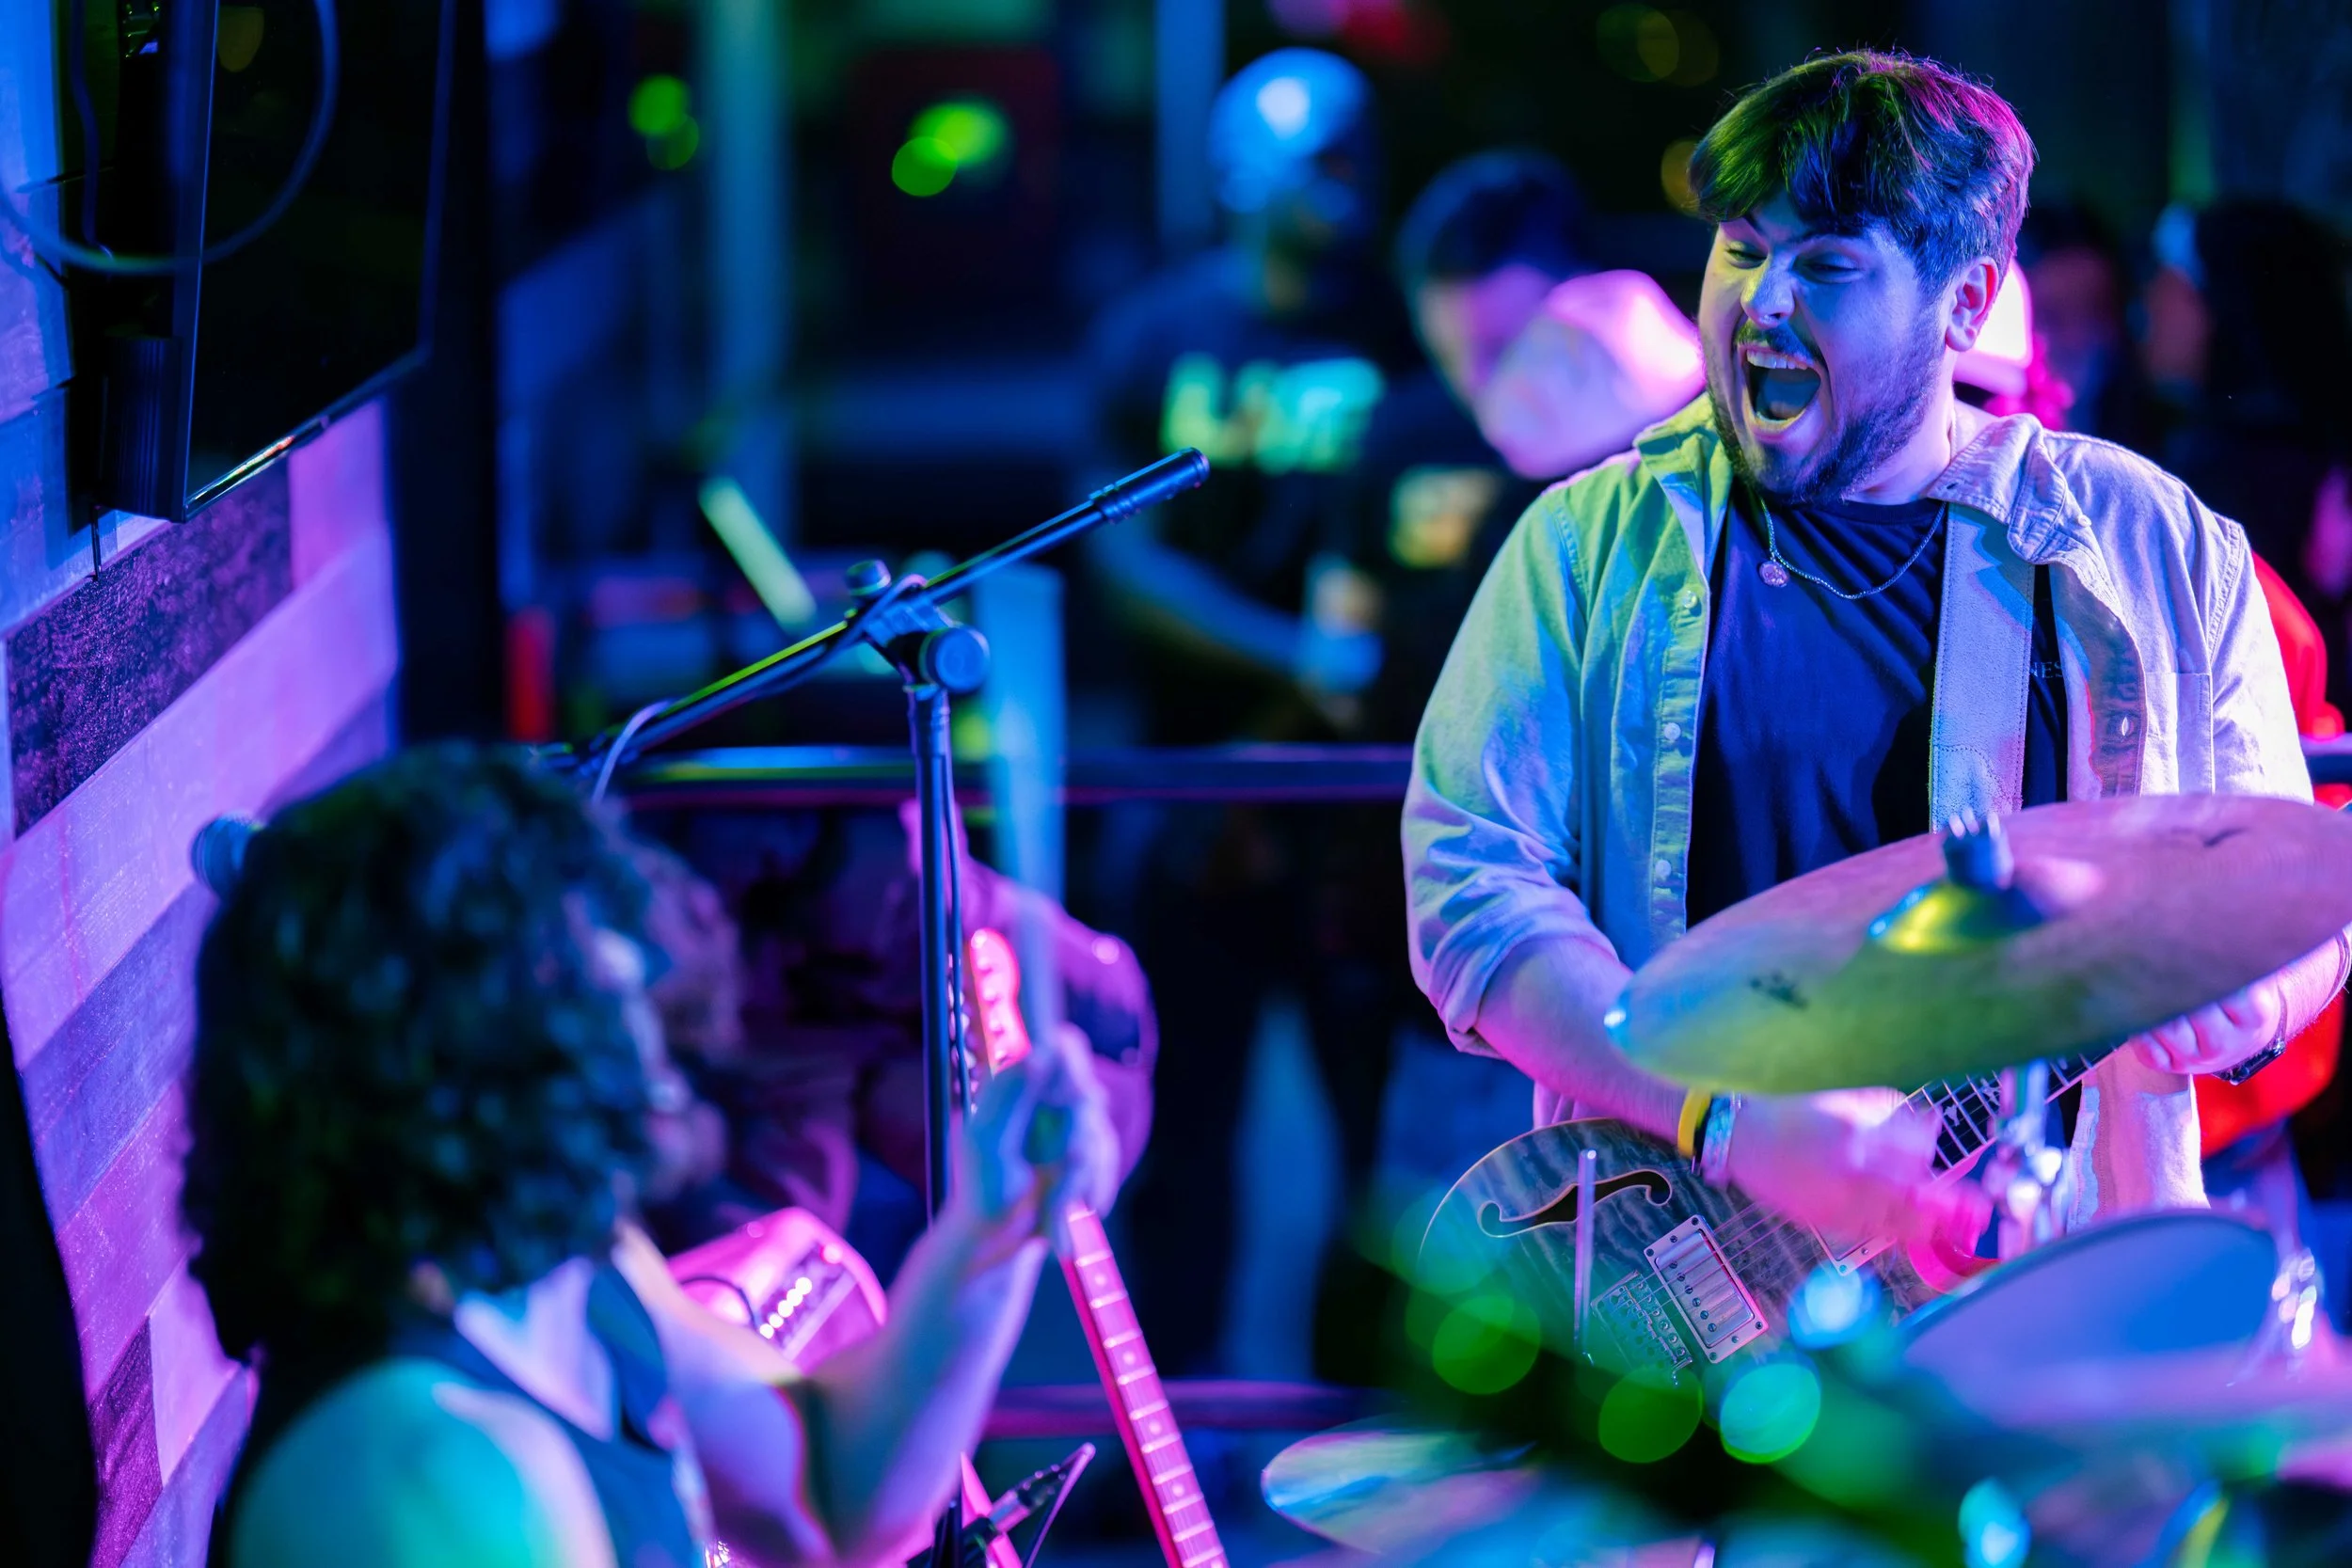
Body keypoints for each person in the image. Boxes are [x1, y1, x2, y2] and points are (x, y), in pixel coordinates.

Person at [1403, 51, 2352, 1254]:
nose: (1763, 302)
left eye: (1829, 264)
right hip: (1689, 1274)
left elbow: (2293, 892)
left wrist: (2245, 1000)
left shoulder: (2156, 542)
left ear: (1965, 303)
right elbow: (1470, 889)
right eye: (1743, 248)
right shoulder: (1589, 544)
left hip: (2051, 1277)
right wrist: (1728, 1121)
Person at [184, 744, 1117, 1567]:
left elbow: (828, 1492)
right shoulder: (419, 1476)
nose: (643, 1001)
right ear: (455, 1052)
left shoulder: (574, 1263)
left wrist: (992, 1226)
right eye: (584, 982)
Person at [1079, 48, 1422, 1379]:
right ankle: (1172, 1422)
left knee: (1374, 1134)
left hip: (1358, 809)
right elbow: (1121, 552)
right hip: (1192, 793)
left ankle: (1379, 1413)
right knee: (1184, 1125)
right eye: (1321, 161)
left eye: (1360, 157)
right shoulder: (1157, 336)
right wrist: (1295, 652)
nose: (1352, 187)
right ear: (1243, 178)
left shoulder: (1397, 333)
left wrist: (1343, 669)